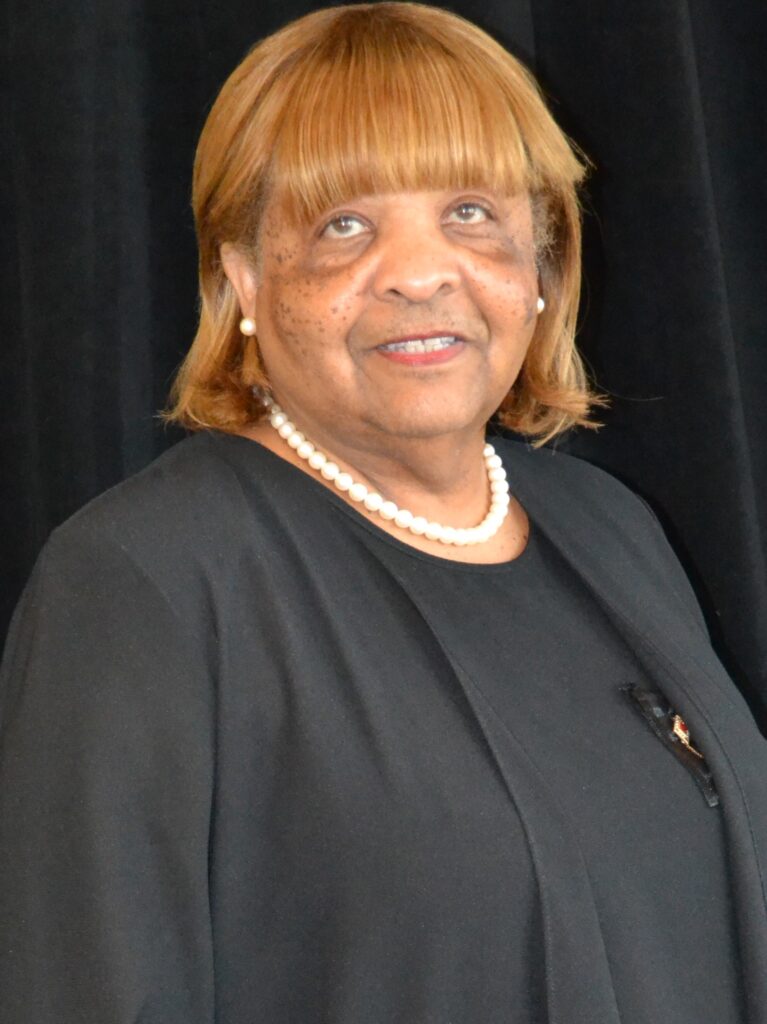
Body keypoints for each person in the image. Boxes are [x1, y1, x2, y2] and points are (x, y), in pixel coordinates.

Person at [1, 3, 765, 1022]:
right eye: (343, 224)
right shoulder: (144, 585)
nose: (418, 271)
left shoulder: (610, 528)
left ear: (537, 265)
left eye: (469, 213)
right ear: (242, 276)